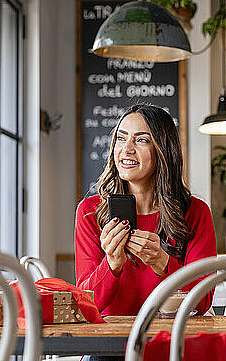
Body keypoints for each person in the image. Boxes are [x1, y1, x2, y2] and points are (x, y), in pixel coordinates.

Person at [74, 104, 217, 321]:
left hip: (171, 338)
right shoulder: (89, 212)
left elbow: (202, 302)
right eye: (121, 138)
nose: (127, 148)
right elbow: (86, 305)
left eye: (141, 140)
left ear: (163, 150)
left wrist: (163, 262)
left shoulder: (196, 212)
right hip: (109, 343)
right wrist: (112, 263)